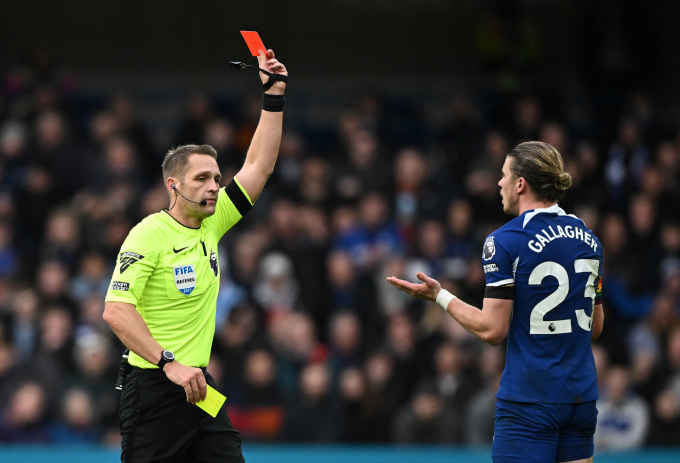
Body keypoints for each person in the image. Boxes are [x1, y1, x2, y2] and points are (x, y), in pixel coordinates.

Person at [103, 49, 287, 463]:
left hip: (198, 386)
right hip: (153, 386)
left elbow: (259, 165)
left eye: (217, 179)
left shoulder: (212, 220)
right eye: (201, 178)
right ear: (173, 185)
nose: (212, 187)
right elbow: (115, 311)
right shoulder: (148, 233)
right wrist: (169, 363)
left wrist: (274, 95)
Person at [387, 141, 604, 463]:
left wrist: (439, 296)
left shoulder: (505, 241)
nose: (499, 183)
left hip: (529, 399)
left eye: (503, 175)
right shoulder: (589, 239)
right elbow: (595, 327)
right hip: (580, 398)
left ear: (521, 184)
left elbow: (492, 330)